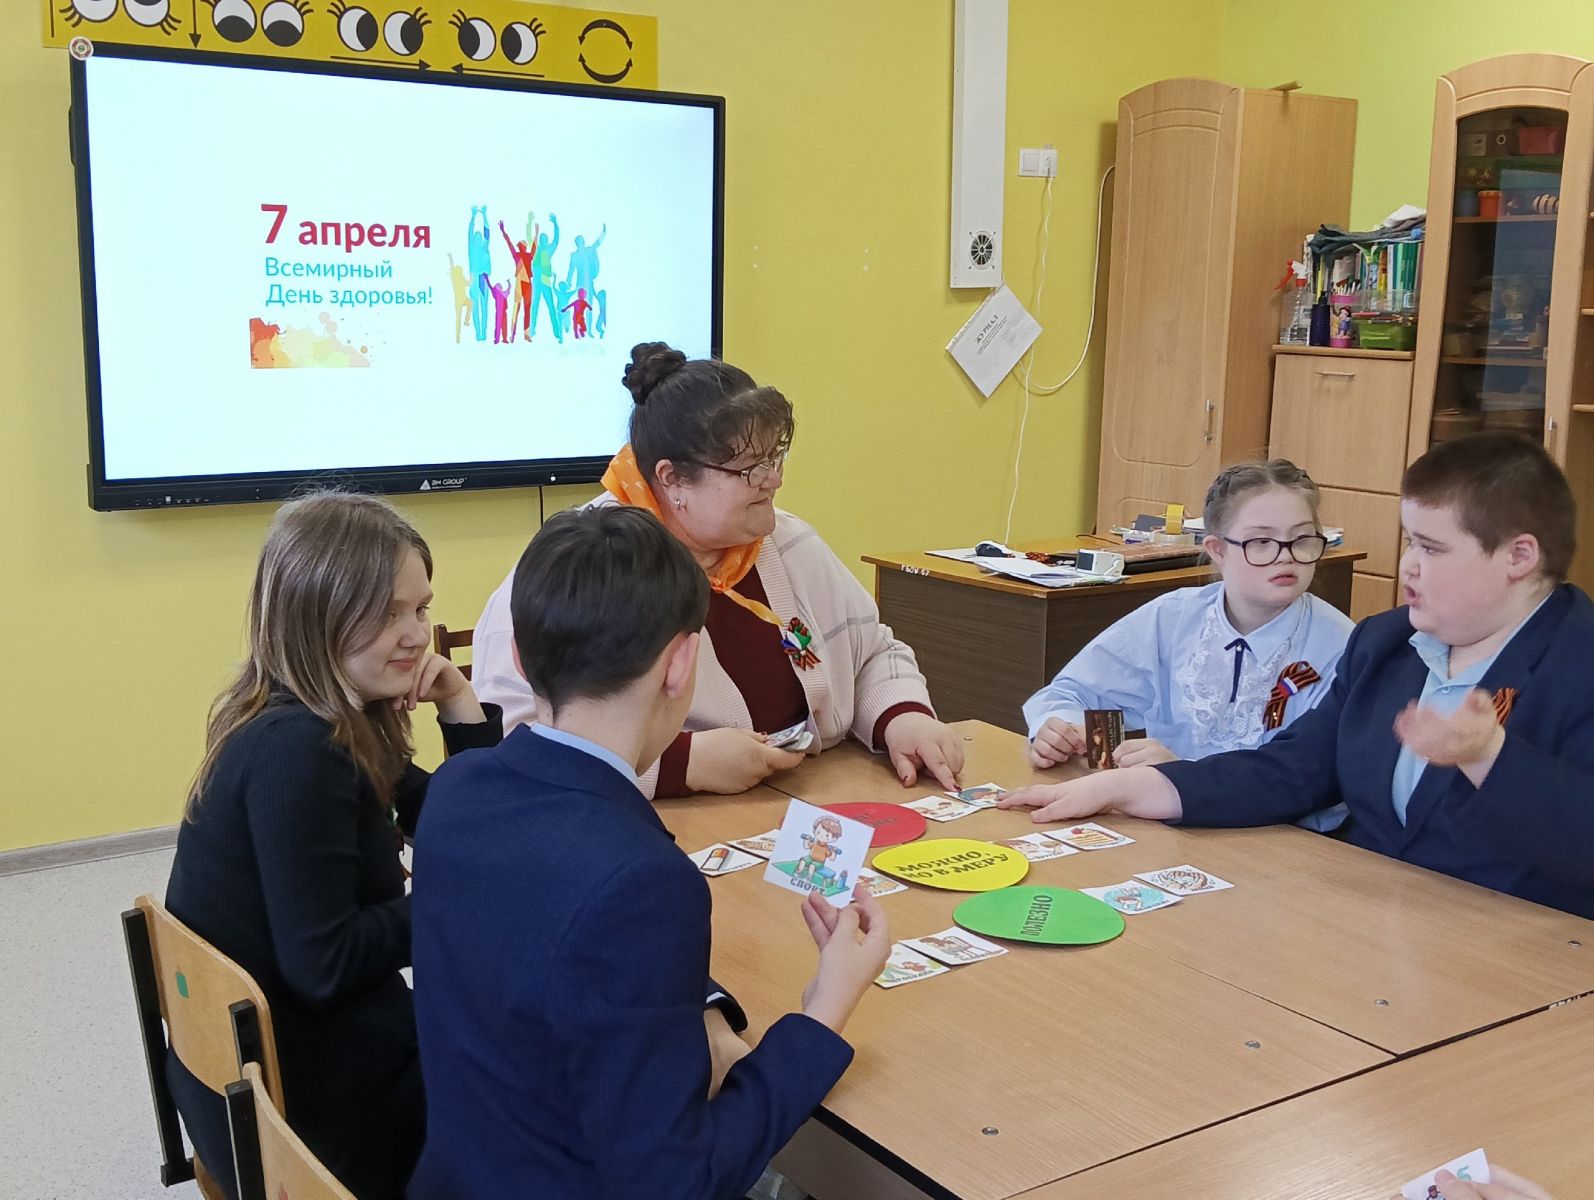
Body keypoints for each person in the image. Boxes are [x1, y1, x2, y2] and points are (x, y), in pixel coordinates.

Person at [408, 505, 890, 1198]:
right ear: (681, 661)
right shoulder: (642, 879)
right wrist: (826, 1007)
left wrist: (702, 1004)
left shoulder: (458, 788)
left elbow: (555, 958)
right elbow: (681, 1182)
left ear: (517, 655)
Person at [1000, 433, 1594, 920]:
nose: (1408, 565)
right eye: (1410, 542)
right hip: (1369, 928)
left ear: (1519, 557)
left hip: (1520, 960)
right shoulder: (1387, 643)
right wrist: (1130, 788)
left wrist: (1489, 756)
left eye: (1432, 549)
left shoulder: (1578, 662)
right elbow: (1293, 769)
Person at [163, 492, 501, 1200]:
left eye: (421, 609)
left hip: (260, 1080)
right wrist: (458, 902)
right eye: (387, 614)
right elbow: (326, 963)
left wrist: (460, 705)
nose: (416, 636)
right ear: (317, 615)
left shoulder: (319, 715)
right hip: (311, 1120)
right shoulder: (300, 751)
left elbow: (468, 825)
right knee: (548, 1072)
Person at [471, 341, 965, 797]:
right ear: (672, 479)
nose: (773, 480)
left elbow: (872, 651)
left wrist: (902, 717)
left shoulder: (787, 542)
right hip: (651, 821)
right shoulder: (585, 561)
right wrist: (680, 765)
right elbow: (517, 735)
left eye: (774, 457)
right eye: (748, 468)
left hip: (811, 798)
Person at [1022, 459, 1354, 830]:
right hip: (1173, 830)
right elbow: (1070, 694)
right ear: (1217, 549)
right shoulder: (1172, 618)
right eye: (1261, 542)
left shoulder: (1342, 646)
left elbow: (1312, 781)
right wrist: (1060, 729)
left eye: (1302, 539)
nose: (1286, 555)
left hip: (1283, 838)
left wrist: (1180, 777)